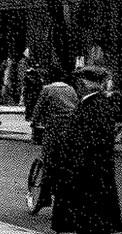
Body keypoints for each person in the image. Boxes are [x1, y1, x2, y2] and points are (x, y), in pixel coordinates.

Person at [52, 66, 122, 234]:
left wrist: (72, 164)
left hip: (85, 171)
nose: (78, 85)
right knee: (92, 220)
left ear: (86, 83)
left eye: (80, 81)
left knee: (89, 220)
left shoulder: (93, 105)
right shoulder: (96, 103)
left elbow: (90, 140)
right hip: (93, 170)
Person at [31, 72, 79, 210]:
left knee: (48, 160)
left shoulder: (47, 89)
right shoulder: (71, 89)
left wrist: (34, 123)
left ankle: (44, 198)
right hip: (72, 129)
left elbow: (38, 109)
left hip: (54, 128)